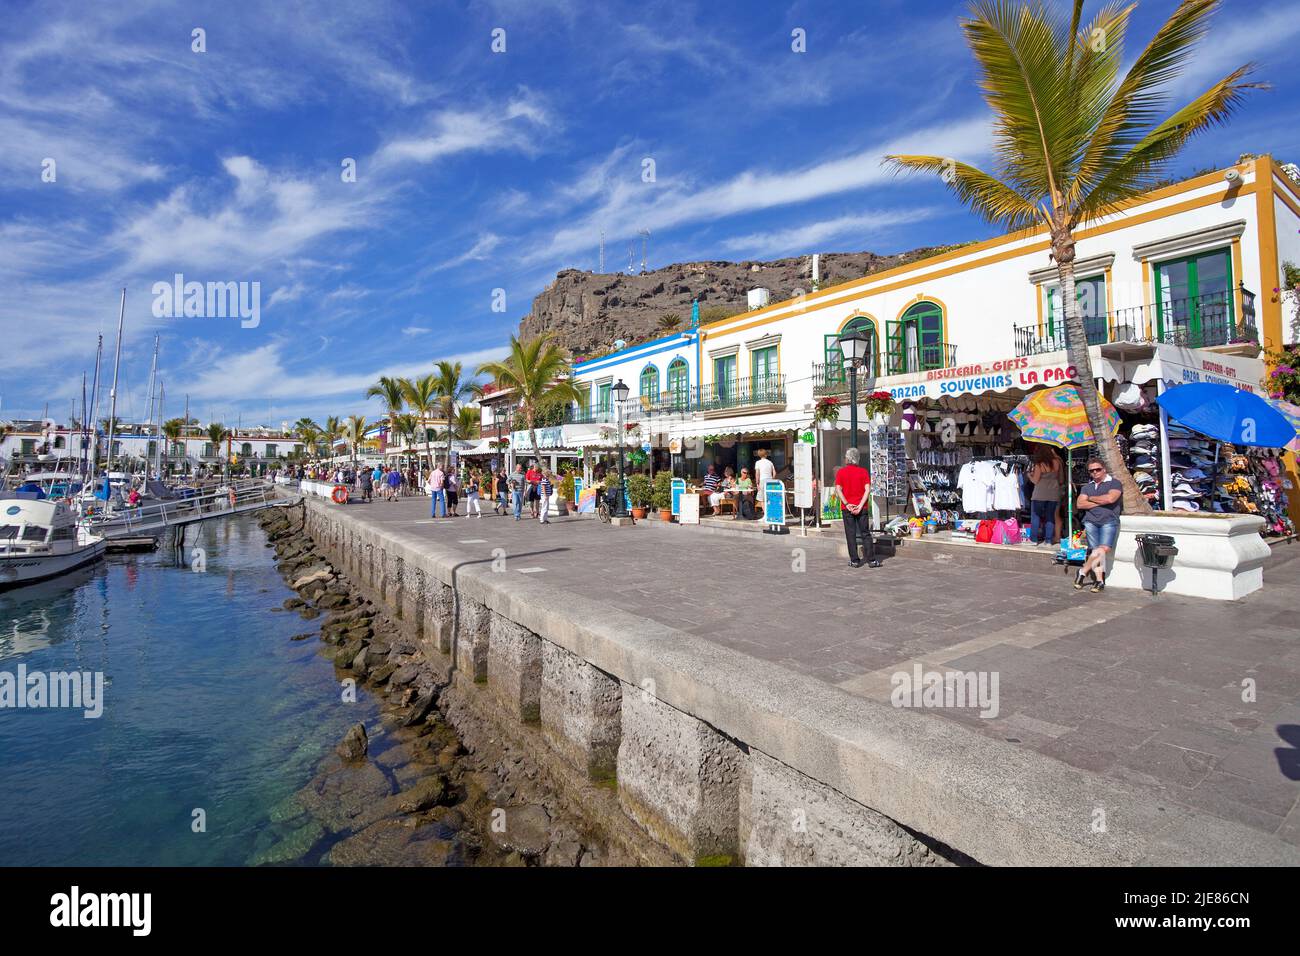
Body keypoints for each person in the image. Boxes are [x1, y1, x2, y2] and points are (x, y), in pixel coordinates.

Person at [1075, 457, 1122, 593]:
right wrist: (1100, 501)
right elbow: (1080, 504)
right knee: (1096, 551)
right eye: (1092, 471)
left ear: (1104, 469)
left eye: (1098, 469)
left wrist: (1090, 498)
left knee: (1103, 549)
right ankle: (1099, 581)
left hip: (1109, 520)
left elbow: (1111, 498)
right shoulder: (1087, 487)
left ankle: (1083, 572)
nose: (1095, 472)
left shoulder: (1114, 483)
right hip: (1091, 521)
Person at [835, 447, 879, 568]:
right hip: (861, 507)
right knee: (865, 533)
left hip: (847, 508)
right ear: (857, 459)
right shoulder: (863, 472)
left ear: (847, 459)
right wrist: (860, 505)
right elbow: (867, 490)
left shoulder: (841, 472)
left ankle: (855, 560)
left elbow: (838, 489)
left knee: (850, 534)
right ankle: (871, 560)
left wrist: (847, 504)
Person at [1027, 444, 1063, 546]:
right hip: (1053, 494)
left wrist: (1029, 475)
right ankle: (1048, 541)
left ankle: (1034, 540)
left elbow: (1035, 480)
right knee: (1050, 517)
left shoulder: (1039, 464)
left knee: (1036, 517)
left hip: (1039, 494)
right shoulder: (1057, 462)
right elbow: (1061, 480)